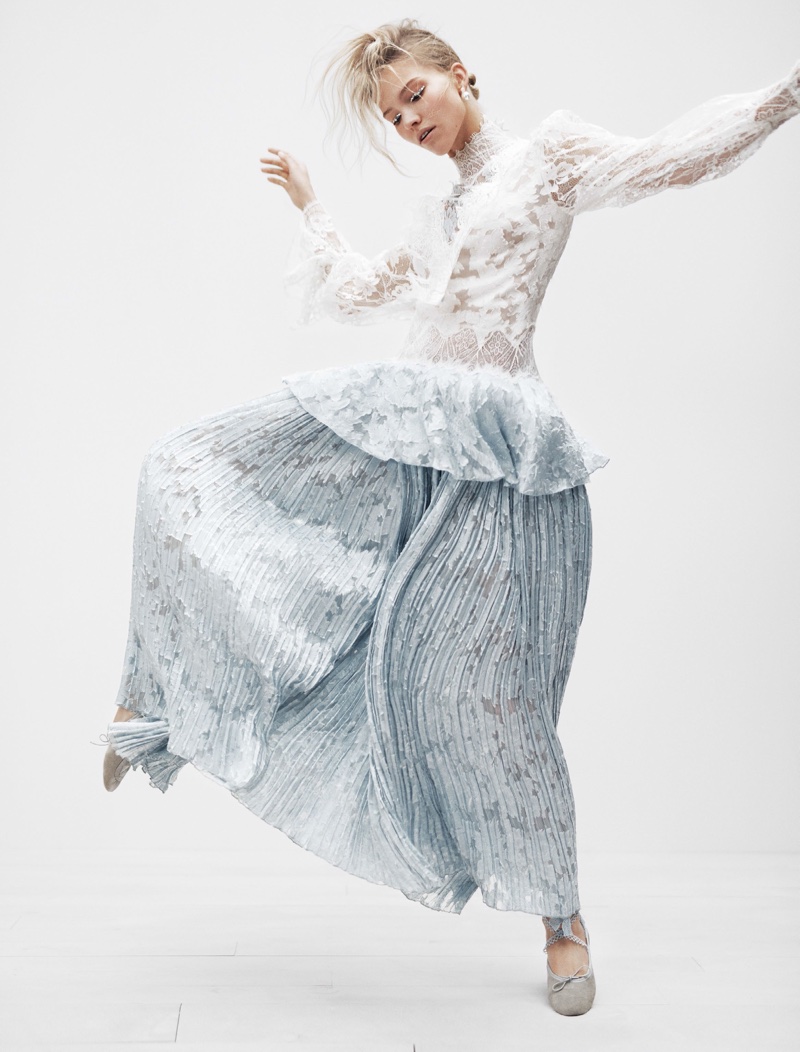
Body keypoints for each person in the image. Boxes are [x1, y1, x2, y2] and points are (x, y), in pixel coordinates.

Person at [95, 19, 800, 1017]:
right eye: (392, 118)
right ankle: (151, 694)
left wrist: (780, 98)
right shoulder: (438, 213)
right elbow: (362, 289)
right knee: (184, 465)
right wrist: (310, 206)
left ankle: (560, 917)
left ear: (459, 75)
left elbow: (665, 161)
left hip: (501, 450)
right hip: (406, 434)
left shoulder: (549, 157)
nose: (407, 123)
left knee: (492, 697)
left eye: (414, 98)